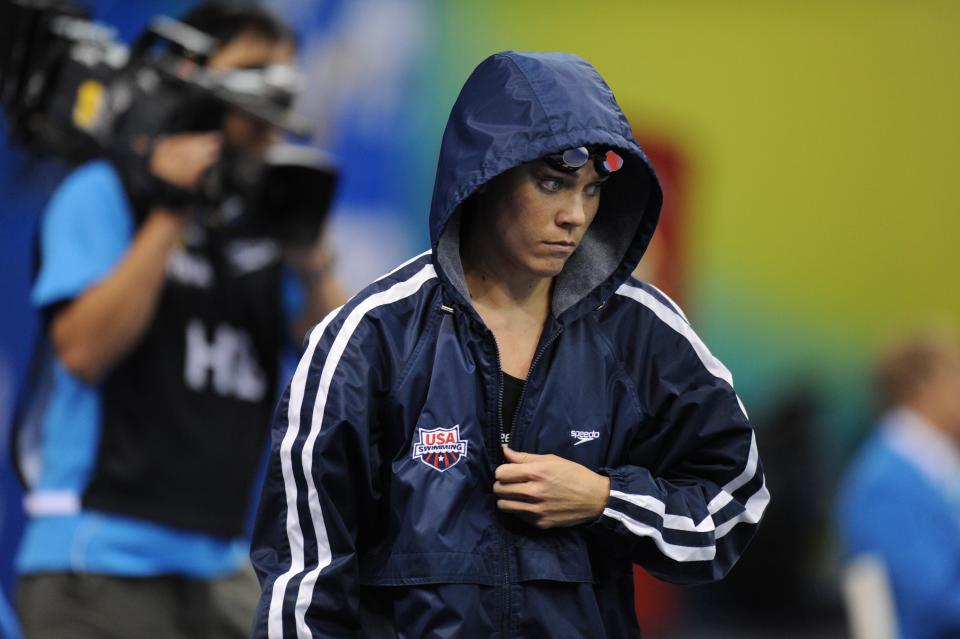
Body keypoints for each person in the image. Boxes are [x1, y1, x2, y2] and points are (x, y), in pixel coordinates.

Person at [251, 51, 769, 638]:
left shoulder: (641, 332)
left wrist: (606, 501)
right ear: (486, 175)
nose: (575, 215)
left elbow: (734, 502)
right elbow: (304, 582)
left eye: (593, 189)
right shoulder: (371, 338)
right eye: (551, 184)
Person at [13, 3, 344, 638]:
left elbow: (336, 359)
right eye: (253, 72)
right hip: (99, 557)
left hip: (218, 561)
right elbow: (83, 351)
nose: (272, 99)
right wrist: (171, 210)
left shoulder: (263, 223)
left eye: (285, 76)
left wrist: (311, 262)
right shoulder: (105, 193)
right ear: (191, 79)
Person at [837, 328, 960, 639]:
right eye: (955, 376)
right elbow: (930, 599)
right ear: (922, 387)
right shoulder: (886, 482)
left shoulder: (931, 465)